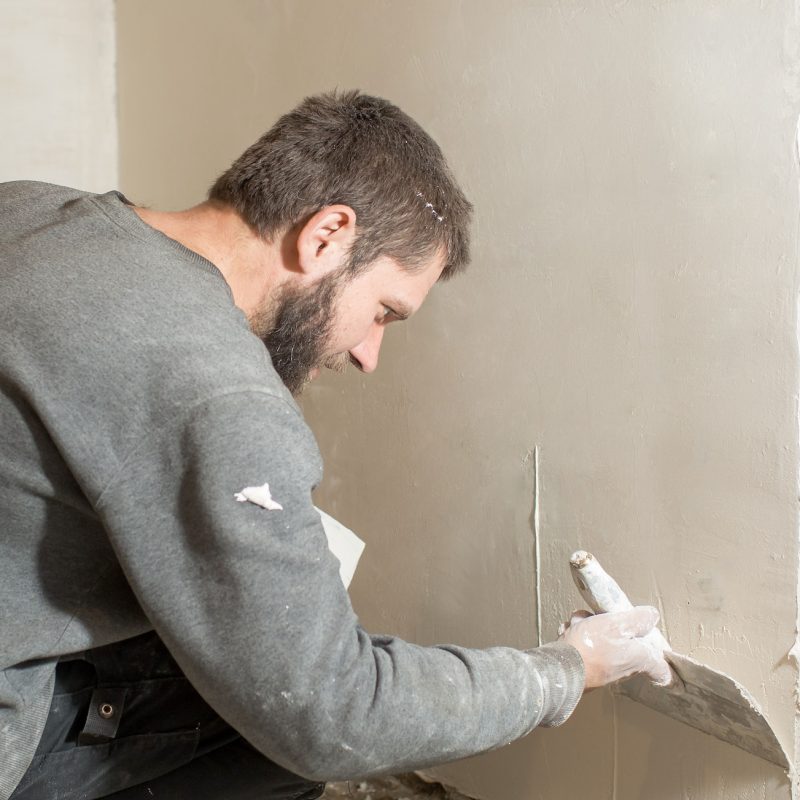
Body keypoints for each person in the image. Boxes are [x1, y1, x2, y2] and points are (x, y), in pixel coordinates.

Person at [0, 90, 669, 800]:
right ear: (326, 235)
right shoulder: (213, 390)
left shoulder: (31, 213)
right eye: (383, 311)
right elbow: (334, 713)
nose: (368, 354)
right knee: (285, 737)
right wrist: (565, 669)